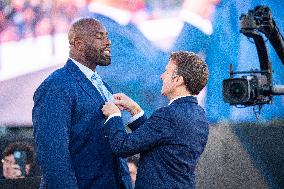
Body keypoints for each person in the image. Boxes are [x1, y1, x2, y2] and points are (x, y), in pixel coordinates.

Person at [32, 18, 132, 189]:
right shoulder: (56, 85)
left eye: (107, 37)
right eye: (100, 37)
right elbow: (53, 153)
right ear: (78, 44)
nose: (108, 42)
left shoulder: (101, 84)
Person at [102, 51, 209, 188]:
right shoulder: (200, 116)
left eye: (167, 72)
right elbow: (159, 140)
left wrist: (113, 116)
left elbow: (123, 146)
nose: (162, 76)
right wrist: (135, 110)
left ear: (178, 80)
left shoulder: (169, 115)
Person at [89, 0, 167, 117]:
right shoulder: (97, 33)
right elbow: (155, 82)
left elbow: (162, 62)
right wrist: (193, 20)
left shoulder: (119, 24)